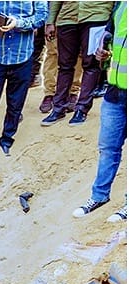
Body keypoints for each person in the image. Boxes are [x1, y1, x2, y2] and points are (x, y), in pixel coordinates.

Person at [0, 1, 48, 164]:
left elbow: (41, 17)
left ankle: (7, 139)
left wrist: (18, 23)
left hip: (22, 58)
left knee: (15, 104)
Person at [73, 1, 127, 222]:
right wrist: (103, 55)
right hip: (115, 91)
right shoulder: (121, 5)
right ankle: (99, 196)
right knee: (108, 147)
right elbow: (112, 36)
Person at [40, 2, 114, 127]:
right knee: (64, 65)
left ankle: (82, 108)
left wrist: (112, 25)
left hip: (96, 17)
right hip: (67, 18)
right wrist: (50, 21)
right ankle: (58, 108)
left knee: (91, 64)